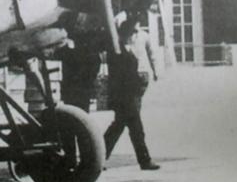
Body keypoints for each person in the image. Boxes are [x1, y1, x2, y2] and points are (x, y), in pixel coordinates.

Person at [103, 19, 160, 170]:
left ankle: (99, 156)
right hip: (126, 95)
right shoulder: (118, 49)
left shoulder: (122, 47)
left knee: (119, 126)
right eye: (131, 31)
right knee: (135, 128)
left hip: (129, 93)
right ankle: (144, 160)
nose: (133, 34)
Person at [55, 34, 103, 113]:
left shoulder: (70, 53)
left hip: (74, 89)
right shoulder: (90, 54)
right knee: (80, 113)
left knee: (73, 112)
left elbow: (59, 54)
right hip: (81, 89)